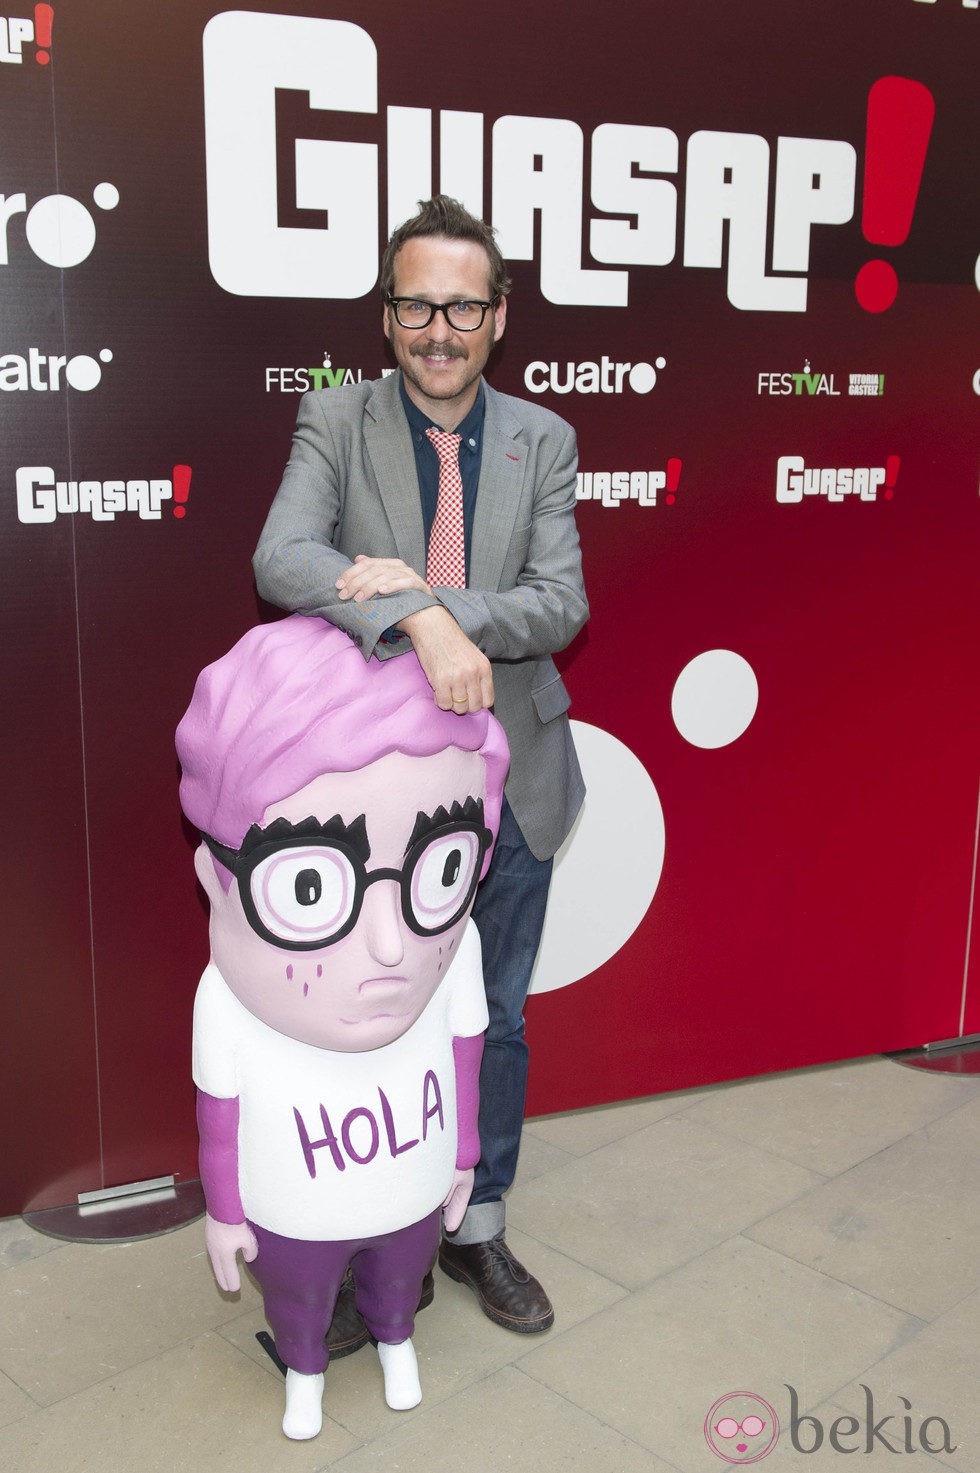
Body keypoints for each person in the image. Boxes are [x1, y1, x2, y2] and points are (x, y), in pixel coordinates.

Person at [252, 194, 588, 1335]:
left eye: (460, 304)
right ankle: (362, 1237)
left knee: (491, 1019)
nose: (436, 328)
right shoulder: (334, 419)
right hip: (373, 801)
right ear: (384, 313)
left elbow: (559, 605)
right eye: (414, 304)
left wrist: (415, 596)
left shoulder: (544, 438)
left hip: (515, 779)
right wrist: (423, 626)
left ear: (498, 314)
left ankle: (475, 1227)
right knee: (366, 1019)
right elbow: (282, 556)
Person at [176, 615, 509, 1436]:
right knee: (300, 1297)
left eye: (444, 866)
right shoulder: (223, 1002)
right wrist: (224, 1211)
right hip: (295, 1211)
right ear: (221, 886)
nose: (393, 944)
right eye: (312, 888)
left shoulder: (456, 947)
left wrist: (463, 1153)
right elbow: (219, 1117)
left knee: (402, 1282)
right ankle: (306, 1373)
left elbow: (468, 1054)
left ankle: (399, 1343)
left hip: (409, 1194)